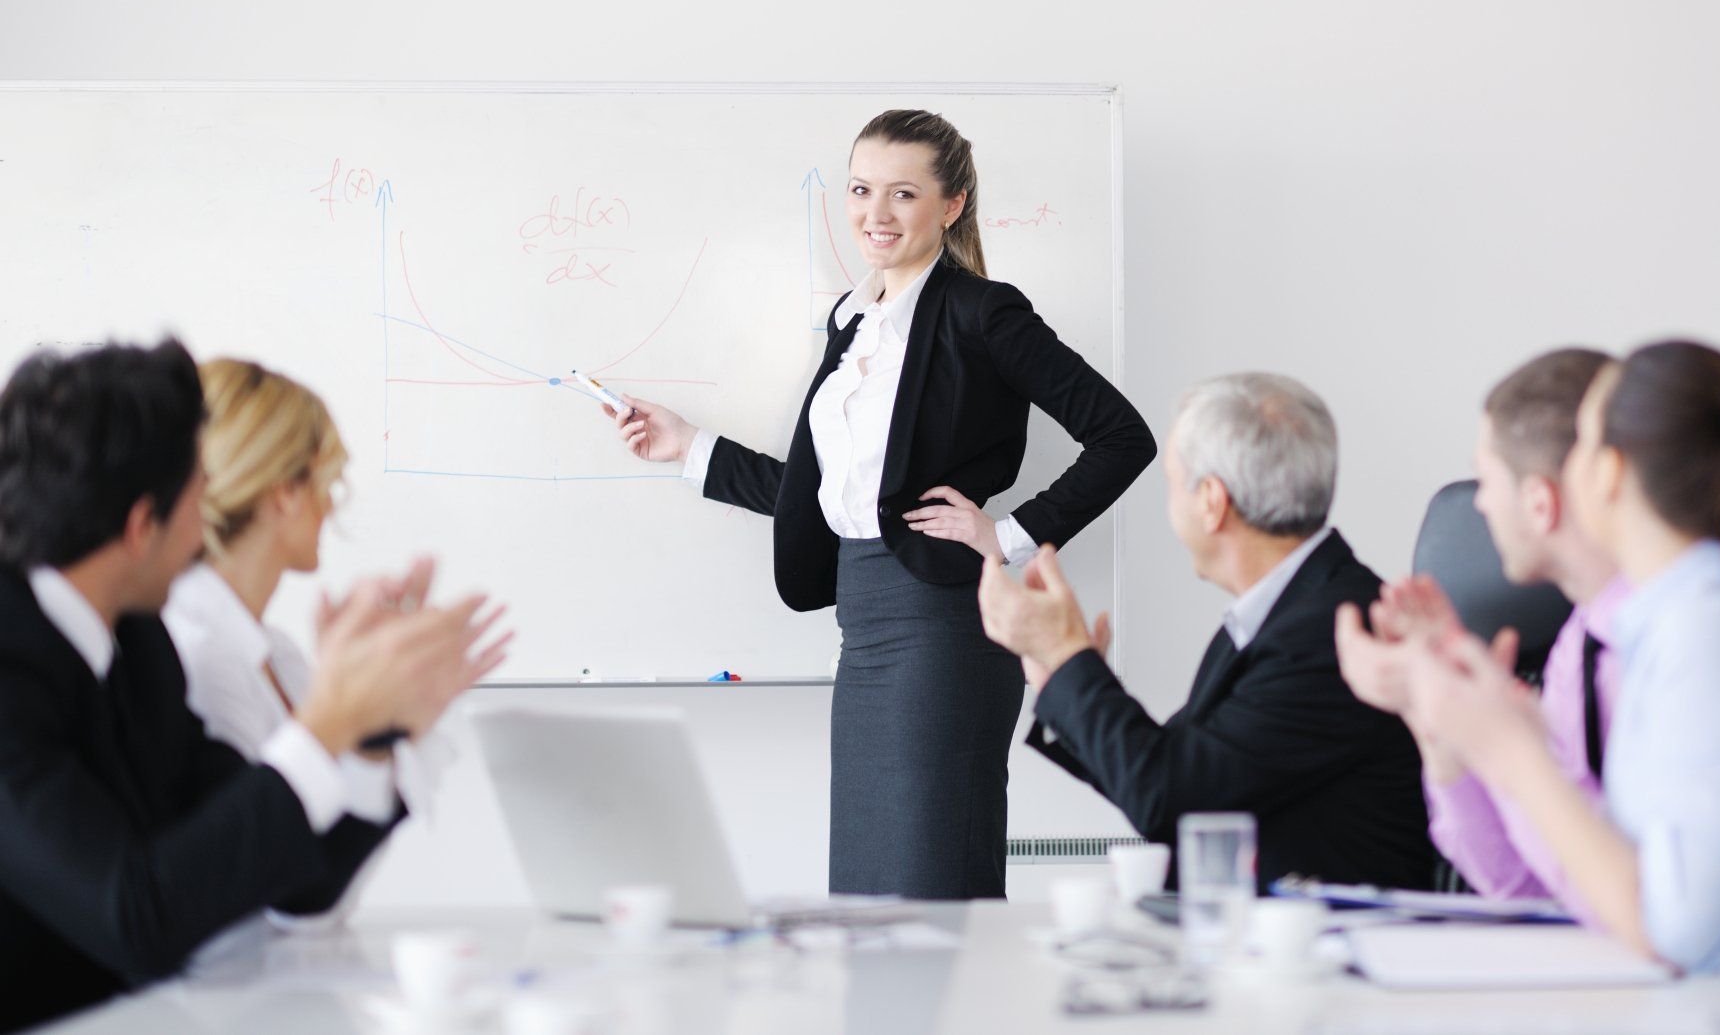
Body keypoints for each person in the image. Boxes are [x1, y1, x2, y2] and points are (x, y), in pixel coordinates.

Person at [606, 110, 1155, 900]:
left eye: (904, 193)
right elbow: (827, 493)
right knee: (866, 897)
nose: (876, 213)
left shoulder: (984, 312)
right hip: (861, 632)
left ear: (952, 205)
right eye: (862, 190)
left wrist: (1005, 536)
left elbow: (1122, 435)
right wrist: (688, 445)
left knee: (930, 885)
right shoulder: (852, 322)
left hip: (945, 629)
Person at [0, 340, 499, 1032]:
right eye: (199, 501)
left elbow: (293, 881)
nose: (209, 531)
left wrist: (370, 730)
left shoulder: (140, 647)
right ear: (145, 525)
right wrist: (323, 726)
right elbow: (136, 915)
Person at [1399, 341, 1720, 999]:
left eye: (1581, 442)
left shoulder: (1713, 631)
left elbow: (1674, 931)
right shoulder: (1672, 624)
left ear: (1610, 472)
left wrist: (1513, 748)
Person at [977, 373, 1431, 891]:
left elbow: (1171, 798)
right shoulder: (1287, 609)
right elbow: (1176, 767)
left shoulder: (1332, 632)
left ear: (1211, 501)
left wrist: (1068, 658)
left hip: (1333, 949)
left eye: (1173, 484)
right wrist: (1063, 670)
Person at [163, 358, 496, 925]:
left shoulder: (280, 655)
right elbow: (261, 891)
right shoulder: (194, 654)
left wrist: (381, 728)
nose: (332, 506)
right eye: (327, 482)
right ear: (284, 494)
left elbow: (325, 886)